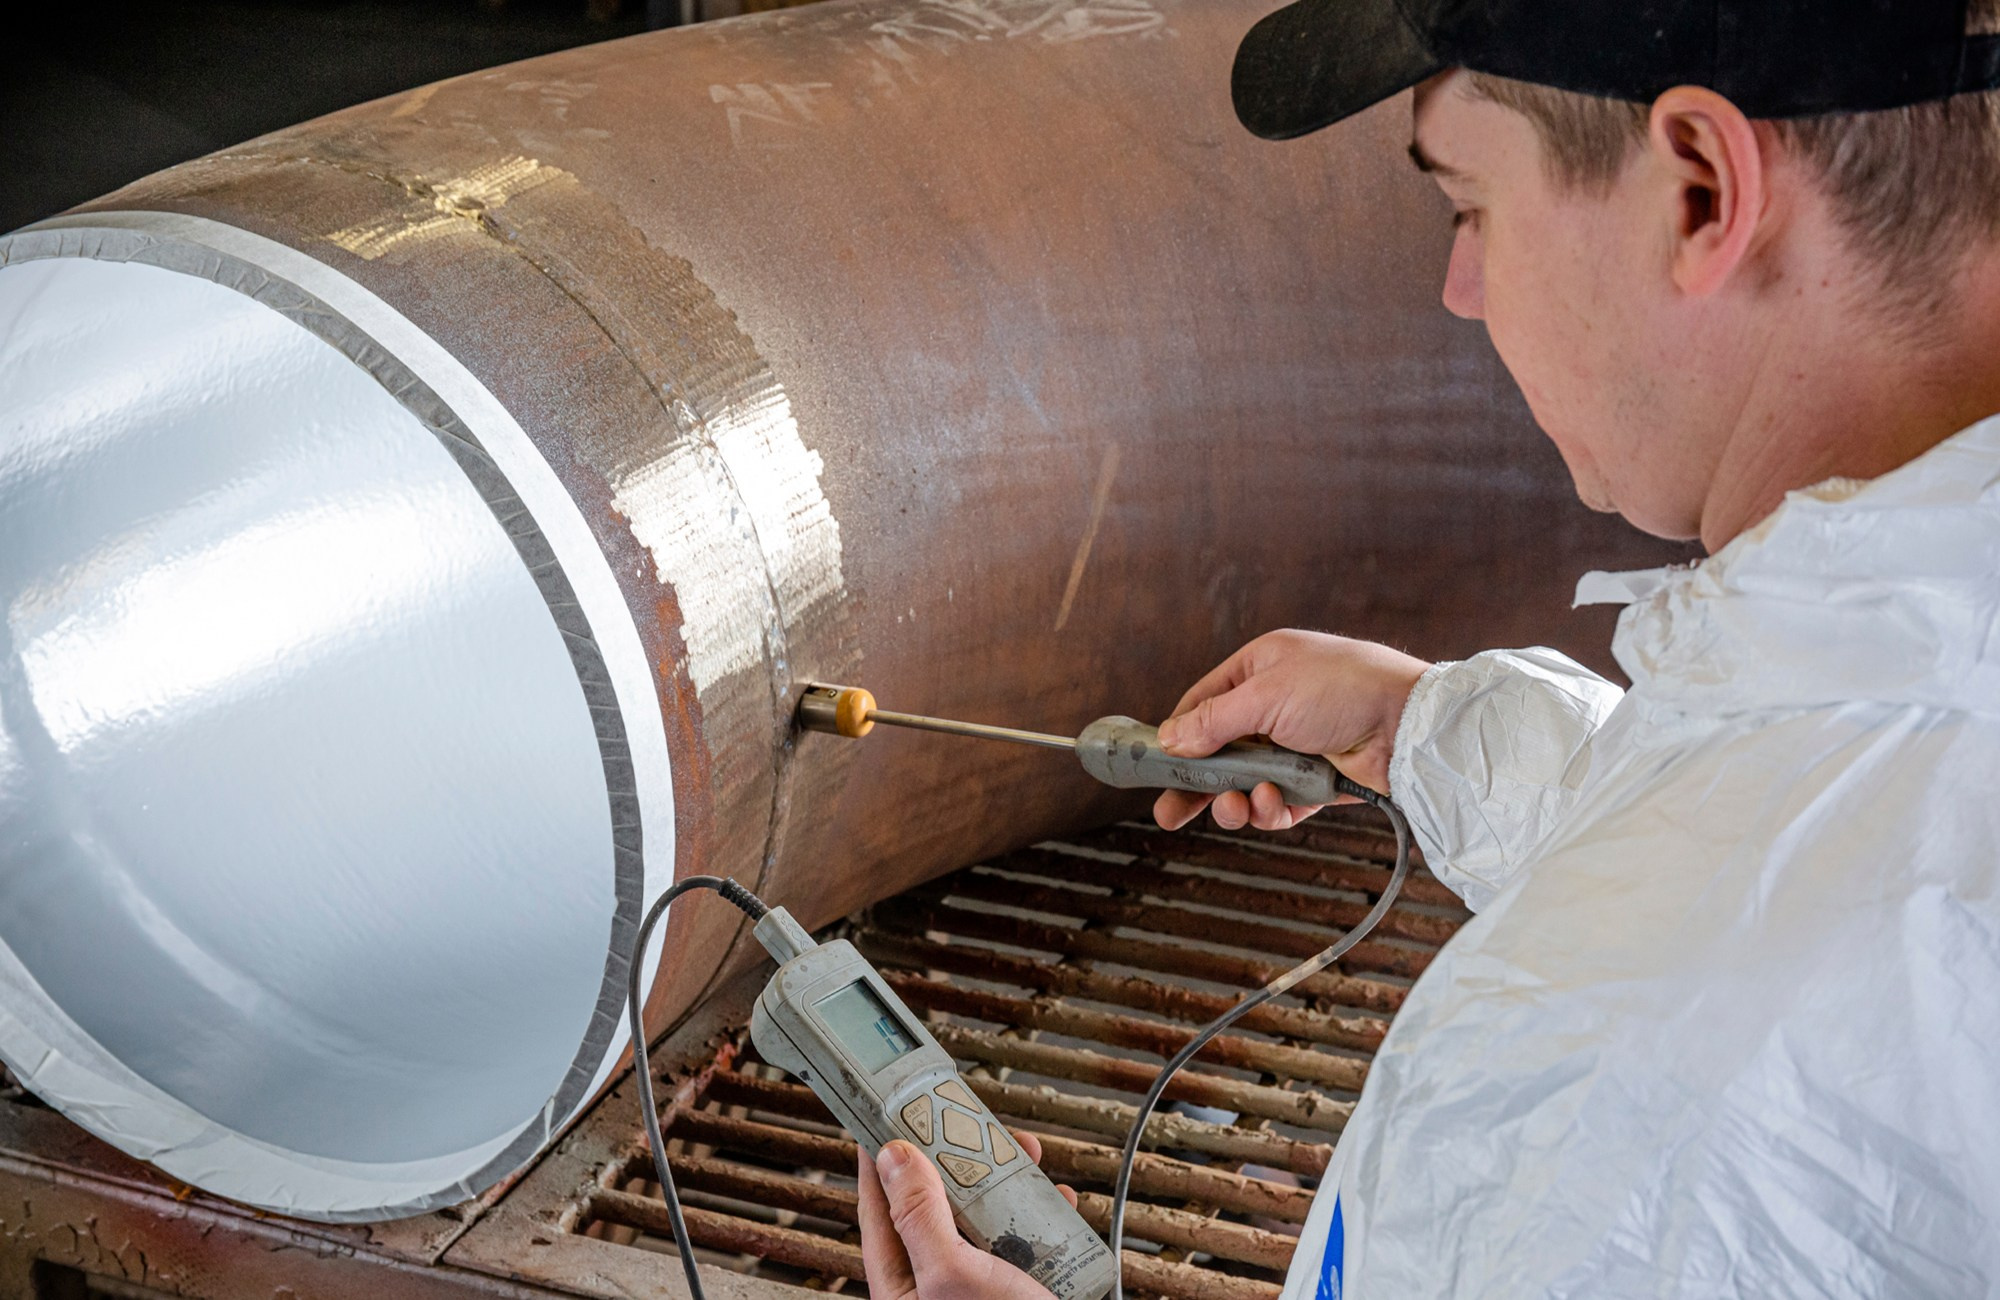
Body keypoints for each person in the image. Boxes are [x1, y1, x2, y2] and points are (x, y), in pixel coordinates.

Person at [856, 0, 2000, 1294]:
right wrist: (1423, 728)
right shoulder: (1915, 690)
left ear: (1699, 195)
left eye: (1468, 206)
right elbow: (1761, 839)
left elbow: (1721, 979)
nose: (1458, 288)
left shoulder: (1676, 1123)